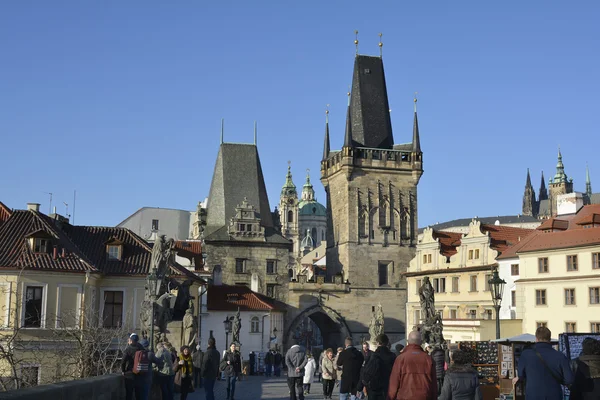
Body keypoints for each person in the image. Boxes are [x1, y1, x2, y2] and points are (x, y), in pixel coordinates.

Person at [513, 326, 574, 400]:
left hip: (533, 395)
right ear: (550, 339)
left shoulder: (526, 355)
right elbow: (569, 379)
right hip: (554, 395)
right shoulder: (560, 356)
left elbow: (521, 375)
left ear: (536, 339)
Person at [388, 331, 437, 400]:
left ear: (408, 342)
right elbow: (434, 384)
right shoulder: (428, 359)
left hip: (405, 396)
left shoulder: (401, 359)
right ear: (421, 342)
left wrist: (390, 397)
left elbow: (394, 383)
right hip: (424, 396)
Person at [121, 333, 163, 400]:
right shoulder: (141, 347)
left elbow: (123, 361)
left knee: (129, 393)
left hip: (130, 373)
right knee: (138, 393)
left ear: (131, 340)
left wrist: (123, 370)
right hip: (140, 373)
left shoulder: (128, 349)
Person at [359, 334, 396, 400]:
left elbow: (366, 372)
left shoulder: (373, 356)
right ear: (387, 343)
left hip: (374, 387)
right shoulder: (392, 356)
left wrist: (360, 386)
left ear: (377, 343)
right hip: (388, 386)